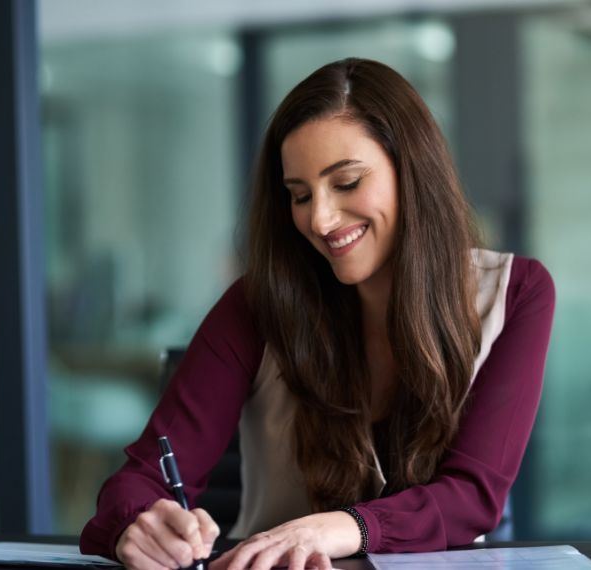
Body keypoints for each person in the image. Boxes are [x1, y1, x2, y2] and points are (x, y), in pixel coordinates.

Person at [80, 57, 555, 570]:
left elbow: (473, 496)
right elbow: (140, 478)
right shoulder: (254, 306)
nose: (320, 218)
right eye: (299, 195)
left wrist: (340, 527)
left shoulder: (516, 293)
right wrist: (139, 522)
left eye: (347, 182)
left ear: (412, 171)